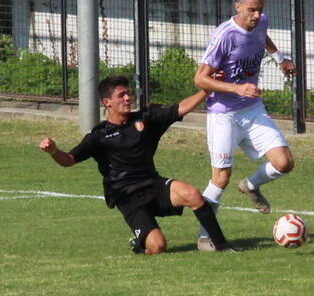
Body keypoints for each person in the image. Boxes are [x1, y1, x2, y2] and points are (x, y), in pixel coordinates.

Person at [39, 75, 239, 254]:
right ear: (107, 102)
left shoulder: (145, 118)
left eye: (128, 94)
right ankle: (139, 244)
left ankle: (222, 246)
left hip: (152, 184)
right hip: (127, 196)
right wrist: (54, 151)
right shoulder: (98, 136)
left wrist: (207, 89)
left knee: (192, 194)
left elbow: (180, 108)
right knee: (158, 246)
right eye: (121, 95)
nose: (128, 98)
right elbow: (69, 160)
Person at [193, 0, 296, 251]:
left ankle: (250, 185)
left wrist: (281, 60)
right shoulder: (224, 35)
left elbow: (264, 38)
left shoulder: (261, 22)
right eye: (251, 10)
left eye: (260, 10)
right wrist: (237, 87)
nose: (256, 16)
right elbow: (200, 78)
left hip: (251, 109)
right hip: (223, 115)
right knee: (220, 179)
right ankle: (205, 236)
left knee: (284, 162)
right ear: (237, 8)